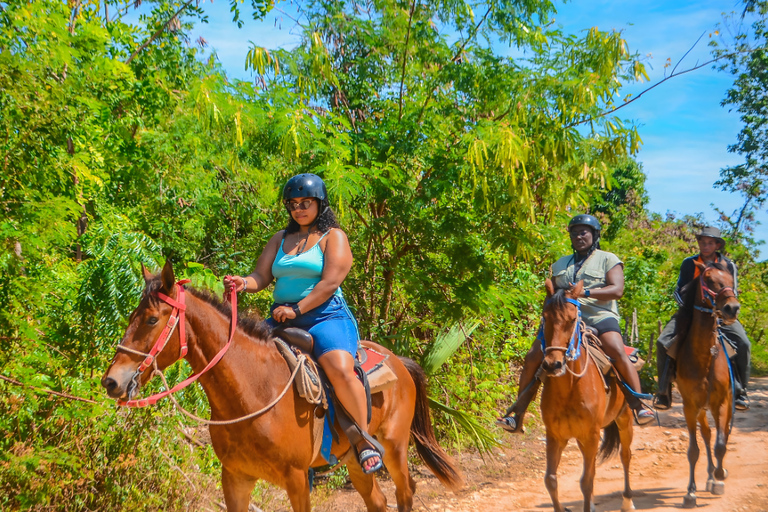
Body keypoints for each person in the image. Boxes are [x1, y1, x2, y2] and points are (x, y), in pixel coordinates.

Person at [222, 173, 382, 474]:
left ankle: (363, 441)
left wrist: (297, 309)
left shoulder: (333, 237)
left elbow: (330, 282)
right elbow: (261, 276)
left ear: (320, 203)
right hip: (282, 316)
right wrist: (243, 282)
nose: (298, 209)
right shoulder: (280, 239)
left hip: (326, 316)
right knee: (244, 360)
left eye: (305, 203)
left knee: (340, 369)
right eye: (292, 204)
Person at [497, 214, 655, 433]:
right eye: (574, 233)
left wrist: (586, 293)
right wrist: (548, 316)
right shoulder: (561, 263)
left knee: (616, 349)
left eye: (584, 232)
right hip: (564, 320)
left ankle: (639, 405)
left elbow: (617, 290)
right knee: (533, 355)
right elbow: (552, 294)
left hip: (599, 316)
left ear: (594, 235)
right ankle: (517, 415)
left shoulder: (608, 259)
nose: (579, 237)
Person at [654, 226, 751, 411]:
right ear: (698, 243)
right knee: (662, 342)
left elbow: (733, 292)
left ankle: (740, 391)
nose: (706, 246)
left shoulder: (728, 265)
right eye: (703, 242)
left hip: (721, 314)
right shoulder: (689, 263)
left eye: (710, 243)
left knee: (744, 343)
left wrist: (721, 312)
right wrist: (690, 310)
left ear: (717, 245)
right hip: (690, 313)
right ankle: (663, 391)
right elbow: (678, 291)